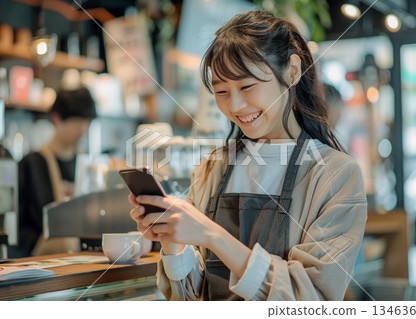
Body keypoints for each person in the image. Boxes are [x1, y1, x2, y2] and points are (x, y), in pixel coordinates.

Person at [129, 10, 367, 300]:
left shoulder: (336, 175)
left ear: (292, 72)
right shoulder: (211, 169)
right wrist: (173, 242)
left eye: (247, 86)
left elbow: (311, 298)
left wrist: (212, 235)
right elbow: (188, 300)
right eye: (221, 91)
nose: (236, 105)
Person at [13, 86, 97, 257]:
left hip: (87, 261)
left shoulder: (89, 164)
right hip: (43, 266)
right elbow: (18, 225)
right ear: (56, 118)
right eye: (76, 122)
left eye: (87, 122)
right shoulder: (31, 164)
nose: (82, 129)